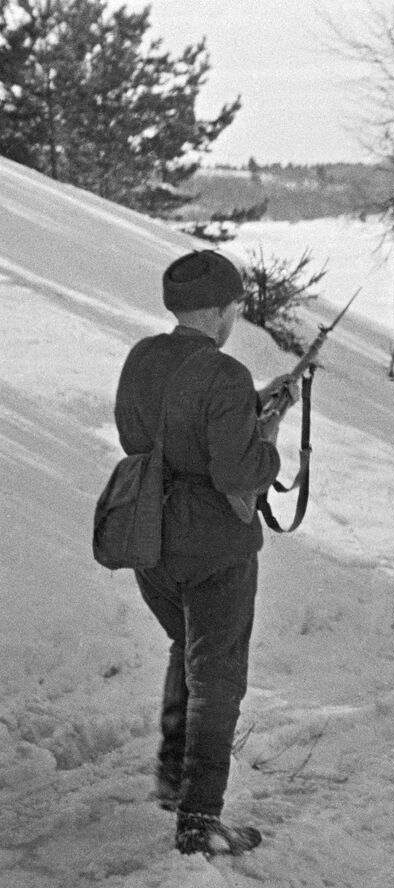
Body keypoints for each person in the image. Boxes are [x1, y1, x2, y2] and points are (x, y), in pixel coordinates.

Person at [115, 250, 296, 856]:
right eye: (235, 308)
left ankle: (173, 778)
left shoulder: (142, 357)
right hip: (212, 545)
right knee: (216, 676)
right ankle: (198, 819)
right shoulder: (224, 373)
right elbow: (238, 470)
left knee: (183, 648)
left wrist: (250, 411)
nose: (235, 318)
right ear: (220, 311)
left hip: (147, 538)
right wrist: (268, 445)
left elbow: (147, 432)